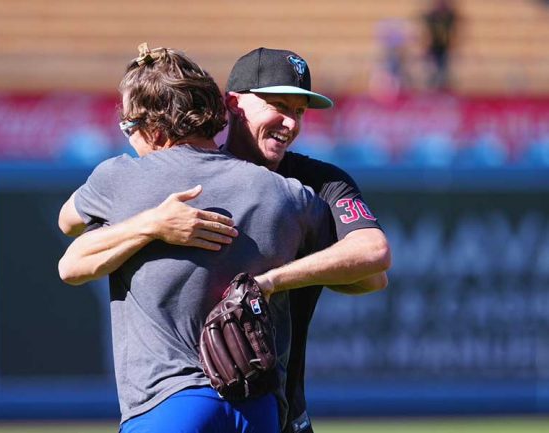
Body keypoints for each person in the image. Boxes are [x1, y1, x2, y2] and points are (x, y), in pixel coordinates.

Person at [60, 47, 391, 433]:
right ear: (233, 103)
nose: (290, 122)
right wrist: (153, 223)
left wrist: (272, 280)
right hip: (259, 410)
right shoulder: (282, 193)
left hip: (258, 405)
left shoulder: (316, 183)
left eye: (300, 111)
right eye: (279, 106)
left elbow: (373, 263)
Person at [423, 0, 460, 90]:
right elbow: (427, 33)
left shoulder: (449, 17)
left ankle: (442, 86)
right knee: (433, 69)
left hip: (444, 47)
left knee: (443, 69)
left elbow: (453, 31)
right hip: (433, 48)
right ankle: (433, 86)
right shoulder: (431, 17)